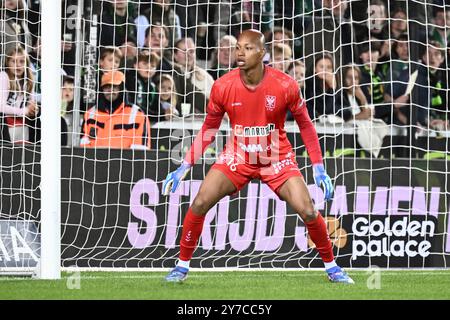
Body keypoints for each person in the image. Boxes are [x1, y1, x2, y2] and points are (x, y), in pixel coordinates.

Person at [162, 29, 354, 284]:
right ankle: (181, 266)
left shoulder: (286, 84)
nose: (240, 52)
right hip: (238, 154)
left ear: (262, 53)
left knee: (308, 211)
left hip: (275, 156)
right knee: (199, 203)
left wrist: (318, 167)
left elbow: (306, 125)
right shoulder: (223, 86)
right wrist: (184, 166)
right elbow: (209, 128)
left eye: (248, 48)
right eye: (238, 47)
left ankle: (332, 267)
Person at [80, 70, 151, 149]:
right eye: (106, 86)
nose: (110, 90)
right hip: (94, 160)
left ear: (122, 88)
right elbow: (83, 148)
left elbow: (140, 152)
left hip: (125, 161)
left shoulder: (138, 115)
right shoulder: (90, 114)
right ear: (101, 89)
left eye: (115, 86)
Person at [0, 45, 37, 144]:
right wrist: (24, 111)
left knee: (40, 114)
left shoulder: (28, 81)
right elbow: (1, 107)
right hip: (4, 124)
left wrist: (33, 109)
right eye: (13, 61)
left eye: (21, 61)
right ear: (7, 63)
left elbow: (31, 105)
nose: (18, 65)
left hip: (21, 123)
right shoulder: (4, 76)